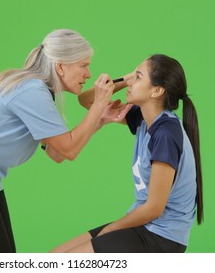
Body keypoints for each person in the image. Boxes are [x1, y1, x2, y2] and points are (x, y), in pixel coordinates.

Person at [0, 29, 128, 253]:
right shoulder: (30, 90)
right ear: (61, 66)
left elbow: (58, 155)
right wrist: (98, 104)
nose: (89, 74)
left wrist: (98, 120)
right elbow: (69, 150)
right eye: (83, 65)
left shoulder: (38, 90)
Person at [51, 54, 204, 253]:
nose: (132, 80)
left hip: (162, 237)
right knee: (54, 257)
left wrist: (110, 229)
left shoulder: (166, 133)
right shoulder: (144, 118)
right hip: (144, 225)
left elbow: (154, 208)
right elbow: (86, 100)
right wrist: (126, 78)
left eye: (138, 77)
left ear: (157, 90)